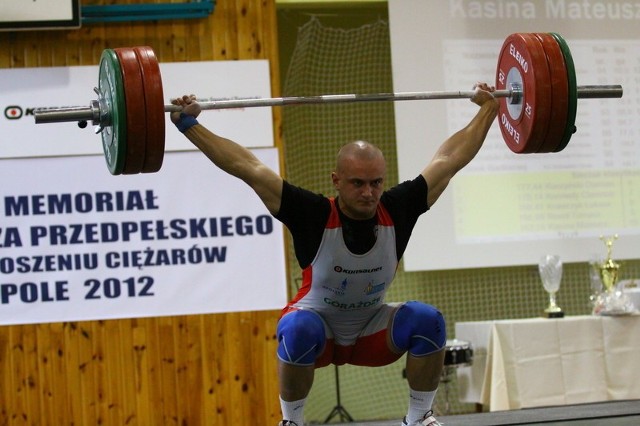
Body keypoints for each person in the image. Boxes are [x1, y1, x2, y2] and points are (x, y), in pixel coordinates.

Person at [170, 82, 498, 426]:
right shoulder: (310, 212)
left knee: (427, 319)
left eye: (376, 182)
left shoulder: (398, 208)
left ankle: (418, 419)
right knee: (297, 328)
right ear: (336, 180)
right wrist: (189, 125)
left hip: (372, 330)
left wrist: (488, 109)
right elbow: (247, 166)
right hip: (317, 329)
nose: (369, 192)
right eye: (358, 183)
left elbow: (448, 160)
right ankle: (292, 421)